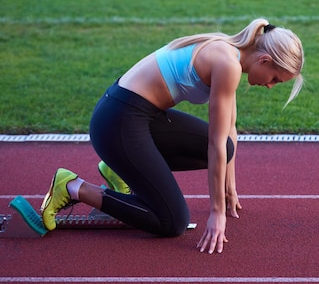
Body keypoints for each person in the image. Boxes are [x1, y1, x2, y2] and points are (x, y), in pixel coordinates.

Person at [40, 18, 304, 255]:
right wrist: (216, 213)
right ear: (265, 60)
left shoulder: (230, 51)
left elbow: (228, 131)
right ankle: (73, 187)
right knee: (171, 222)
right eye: (276, 80)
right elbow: (215, 144)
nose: (270, 86)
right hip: (117, 123)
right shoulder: (228, 64)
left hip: (138, 117)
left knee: (228, 147)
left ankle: (120, 172)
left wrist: (229, 189)